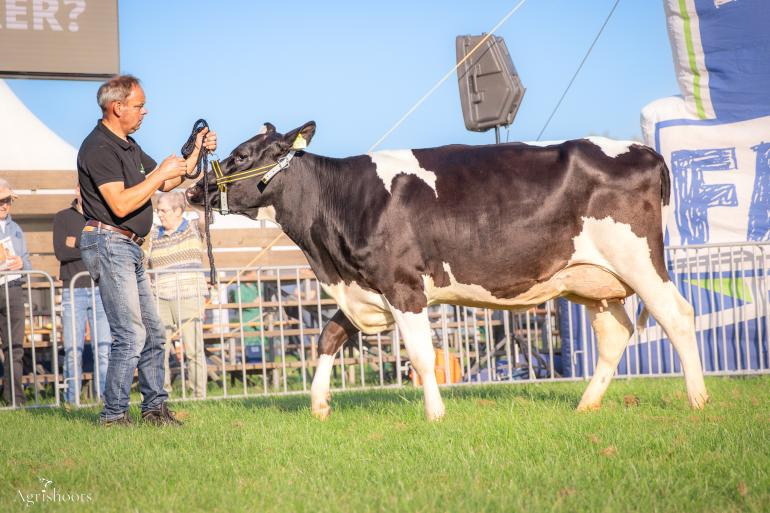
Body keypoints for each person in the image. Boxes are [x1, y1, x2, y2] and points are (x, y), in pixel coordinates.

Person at [77, 75, 216, 426]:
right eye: (138, 105)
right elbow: (121, 203)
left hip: (129, 245)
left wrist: (196, 150)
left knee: (153, 333)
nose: (145, 111)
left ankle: (154, 409)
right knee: (131, 333)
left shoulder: (128, 145)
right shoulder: (98, 148)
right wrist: (158, 177)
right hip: (109, 241)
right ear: (117, 107)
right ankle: (113, 416)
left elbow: (170, 178)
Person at [145, 191, 208, 399]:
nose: (160, 215)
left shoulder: (192, 228)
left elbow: (205, 216)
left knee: (193, 349)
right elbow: (147, 267)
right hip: (161, 297)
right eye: (158, 211)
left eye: (164, 211)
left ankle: (198, 395)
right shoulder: (154, 234)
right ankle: (164, 394)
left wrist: (193, 196)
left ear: (179, 210)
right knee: (159, 349)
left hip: (190, 295)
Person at [53, 185, 112, 404]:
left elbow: (105, 249)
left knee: (104, 349)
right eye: (83, 187)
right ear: (77, 189)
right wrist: (90, 247)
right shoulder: (62, 217)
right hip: (73, 291)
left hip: (99, 290)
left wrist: (77, 241)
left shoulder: (102, 217)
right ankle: (71, 402)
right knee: (72, 350)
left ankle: (106, 401)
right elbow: (61, 252)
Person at [0, 178, 31, 407]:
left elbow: (28, 263)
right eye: (1, 200)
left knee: (15, 347)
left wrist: (21, 263)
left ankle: (14, 399)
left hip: (13, 288)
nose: (4, 205)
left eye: (8, 200)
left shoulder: (17, 229)